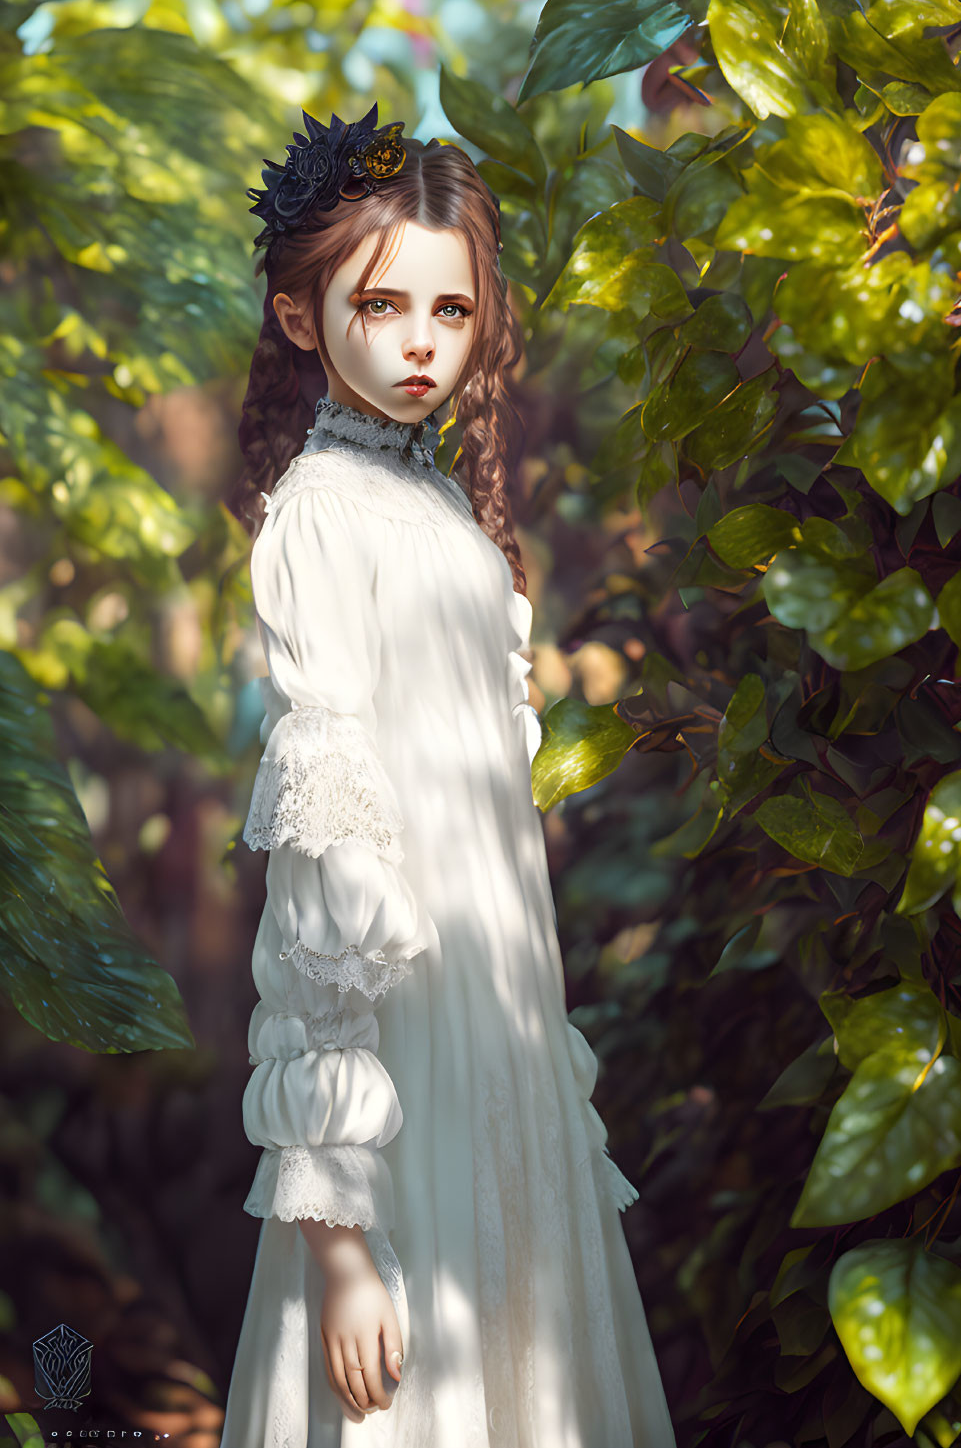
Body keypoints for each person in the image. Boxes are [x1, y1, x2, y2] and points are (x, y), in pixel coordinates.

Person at [218, 106, 676, 1446]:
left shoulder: (439, 510)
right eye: (383, 303)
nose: (424, 339)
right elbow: (325, 847)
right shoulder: (319, 515)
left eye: (452, 307)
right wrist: (339, 1232)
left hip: (499, 1016)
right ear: (306, 318)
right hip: (403, 1043)